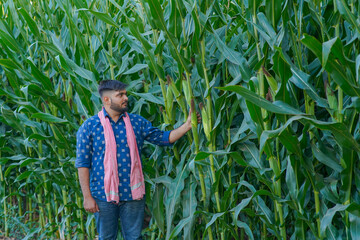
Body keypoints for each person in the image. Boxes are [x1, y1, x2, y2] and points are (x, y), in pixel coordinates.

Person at [75, 80, 200, 240]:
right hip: (103, 194)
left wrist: (187, 125)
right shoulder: (89, 127)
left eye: (125, 94)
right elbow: (83, 164)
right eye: (120, 95)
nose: (126, 98)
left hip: (133, 193)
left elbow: (163, 138)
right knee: (106, 237)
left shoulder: (136, 122)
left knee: (134, 237)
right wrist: (87, 197)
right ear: (106, 100)